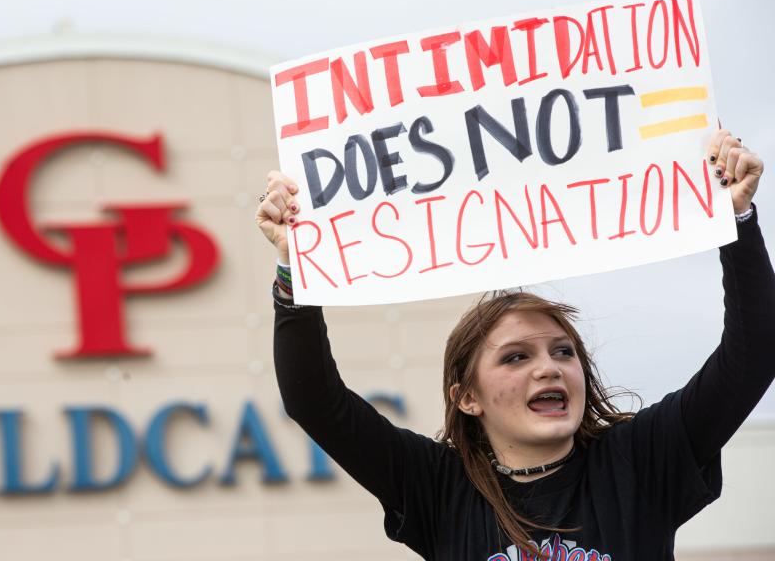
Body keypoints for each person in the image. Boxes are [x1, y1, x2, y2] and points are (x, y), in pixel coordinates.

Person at [255, 127, 773, 560]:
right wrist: (296, 271)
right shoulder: (437, 487)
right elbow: (314, 402)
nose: (548, 368)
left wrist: (737, 221)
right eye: (516, 357)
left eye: (563, 351)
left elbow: (753, 355)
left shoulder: (640, 460)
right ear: (467, 396)